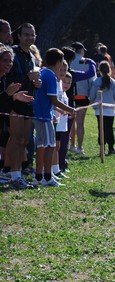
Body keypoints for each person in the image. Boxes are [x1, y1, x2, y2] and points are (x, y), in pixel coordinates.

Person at [5, 23, 41, 189]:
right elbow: (9, 76)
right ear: (19, 36)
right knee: (16, 138)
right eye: (26, 34)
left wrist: (36, 83)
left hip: (29, 101)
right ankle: (14, 175)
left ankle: (18, 174)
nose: (29, 38)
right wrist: (27, 76)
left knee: (25, 140)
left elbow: (31, 79)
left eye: (32, 35)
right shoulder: (13, 53)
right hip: (15, 101)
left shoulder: (32, 56)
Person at [32, 48, 75, 187]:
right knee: (50, 146)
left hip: (38, 115)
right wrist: (70, 109)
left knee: (41, 146)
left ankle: (38, 177)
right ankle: (47, 177)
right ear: (58, 63)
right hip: (44, 116)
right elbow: (54, 100)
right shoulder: (50, 76)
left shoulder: (43, 71)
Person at [0, 45, 34, 184]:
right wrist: (9, 94)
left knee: (19, 139)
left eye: (10, 61)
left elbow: (3, 103)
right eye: (4, 60)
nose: (8, 64)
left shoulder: (4, 78)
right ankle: (14, 175)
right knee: (16, 138)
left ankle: (12, 173)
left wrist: (13, 97)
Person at [70, 41, 96, 154]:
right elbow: (93, 81)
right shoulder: (86, 62)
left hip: (70, 94)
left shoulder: (67, 60)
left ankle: (71, 144)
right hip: (83, 95)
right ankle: (80, 147)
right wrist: (91, 96)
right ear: (81, 51)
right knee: (80, 123)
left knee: (70, 122)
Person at [89, 60, 115, 155]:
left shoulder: (96, 81)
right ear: (109, 69)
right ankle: (111, 148)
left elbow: (92, 96)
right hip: (110, 110)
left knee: (101, 129)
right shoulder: (113, 82)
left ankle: (102, 148)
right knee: (109, 129)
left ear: (99, 70)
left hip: (99, 110)